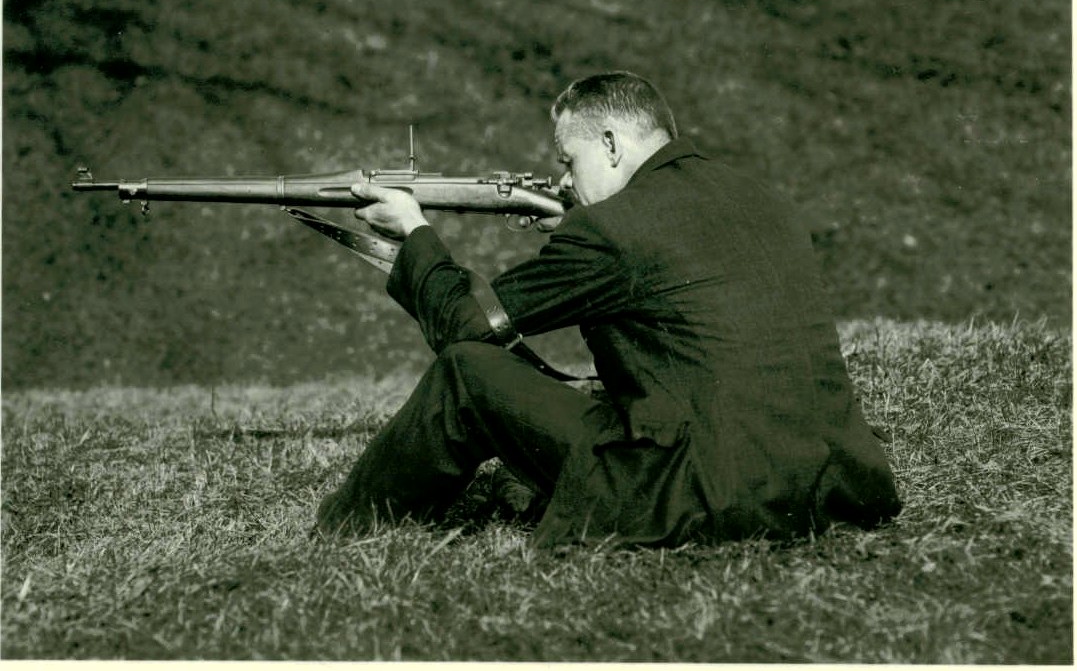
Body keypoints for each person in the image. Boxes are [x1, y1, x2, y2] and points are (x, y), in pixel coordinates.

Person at [316, 71, 901, 547]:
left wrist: (416, 232)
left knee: (466, 374)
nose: (566, 182)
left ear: (613, 144)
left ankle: (345, 531)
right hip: (838, 485)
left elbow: (462, 327)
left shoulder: (611, 230)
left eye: (570, 162)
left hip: (707, 497)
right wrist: (577, 224)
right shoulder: (759, 198)